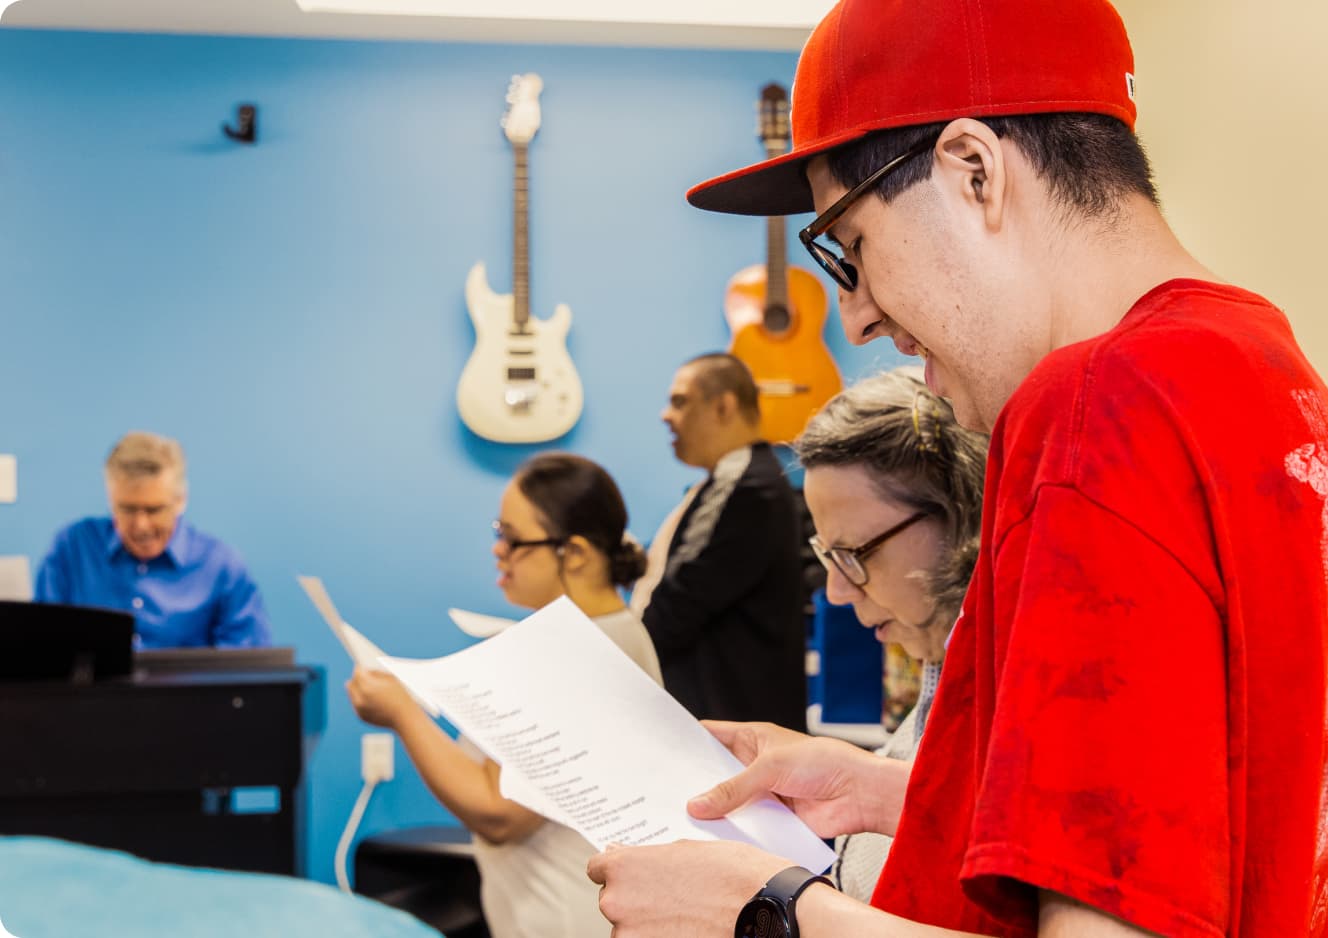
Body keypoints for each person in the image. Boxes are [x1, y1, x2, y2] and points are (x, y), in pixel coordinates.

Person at [589, 1, 1328, 936]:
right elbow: (1212, 823)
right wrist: (885, 793)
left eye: (849, 248)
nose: (854, 320)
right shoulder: (1254, 365)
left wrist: (761, 911)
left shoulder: (1101, 401)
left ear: (974, 171)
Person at [347, 452, 661, 938]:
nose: (498, 550)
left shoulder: (572, 652)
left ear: (574, 552)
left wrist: (402, 714)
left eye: (513, 539)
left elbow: (499, 813)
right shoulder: (620, 633)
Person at [794, 367, 987, 901]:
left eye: (853, 554)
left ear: (962, 516)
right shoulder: (934, 685)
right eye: (826, 555)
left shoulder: (1017, 720)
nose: (836, 590)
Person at [630, 352, 807, 731]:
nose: (666, 415)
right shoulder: (736, 480)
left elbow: (678, 602)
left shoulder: (745, 486)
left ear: (724, 406)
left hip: (732, 728)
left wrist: (622, 659)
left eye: (680, 401)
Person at [34, 430, 272, 648]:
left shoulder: (222, 566)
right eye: (126, 509)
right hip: (90, 695)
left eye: (154, 510)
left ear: (181, 500)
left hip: (188, 696)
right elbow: (41, 648)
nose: (141, 525)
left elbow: (246, 668)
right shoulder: (72, 549)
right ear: (110, 499)